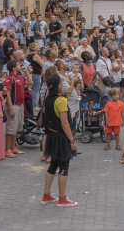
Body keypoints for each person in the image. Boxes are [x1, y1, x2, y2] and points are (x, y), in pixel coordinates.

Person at [40, 74, 78, 207]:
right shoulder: (61, 100)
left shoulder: (48, 99)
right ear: (57, 86)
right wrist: (71, 140)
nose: (62, 86)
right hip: (61, 137)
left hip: (51, 135)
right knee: (64, 166)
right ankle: (62, 198)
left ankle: (46, 195)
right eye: (61, 84)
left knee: (53, 165)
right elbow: (65, 123)